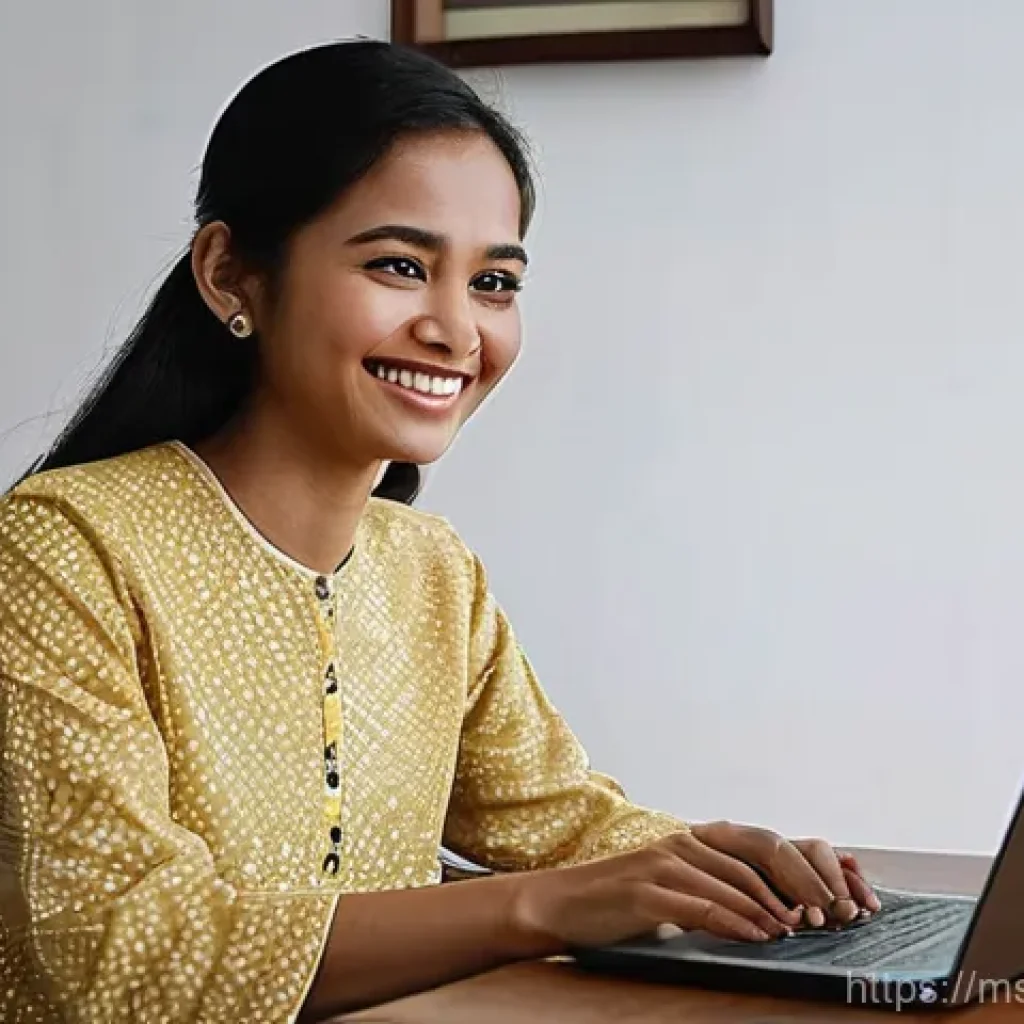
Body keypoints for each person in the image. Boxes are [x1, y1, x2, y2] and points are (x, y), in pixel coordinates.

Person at [0, 39, 879, 1023]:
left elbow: (558, 822)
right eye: (399, 265)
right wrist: (535, 908)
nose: (457, 330)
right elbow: (113, 955)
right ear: (230, 275)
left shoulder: (429, 570)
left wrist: (729, 862)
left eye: (494, 283)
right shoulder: (64, 550)